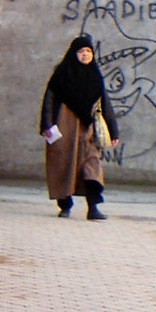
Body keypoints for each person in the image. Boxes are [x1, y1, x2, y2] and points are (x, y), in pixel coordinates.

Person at [41, 34, 120, 219]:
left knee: (92, 166)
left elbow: (106, 105)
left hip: (88, 130)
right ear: (73, 54)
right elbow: (49, 102)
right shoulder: (61, 75)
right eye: (81, 51)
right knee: (63, 167)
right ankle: (65, 206)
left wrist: (113, 131)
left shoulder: (95, 77)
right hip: (64, 127)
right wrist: (46, 125)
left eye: (89, 51)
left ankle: (93, 208)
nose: (85, 55)